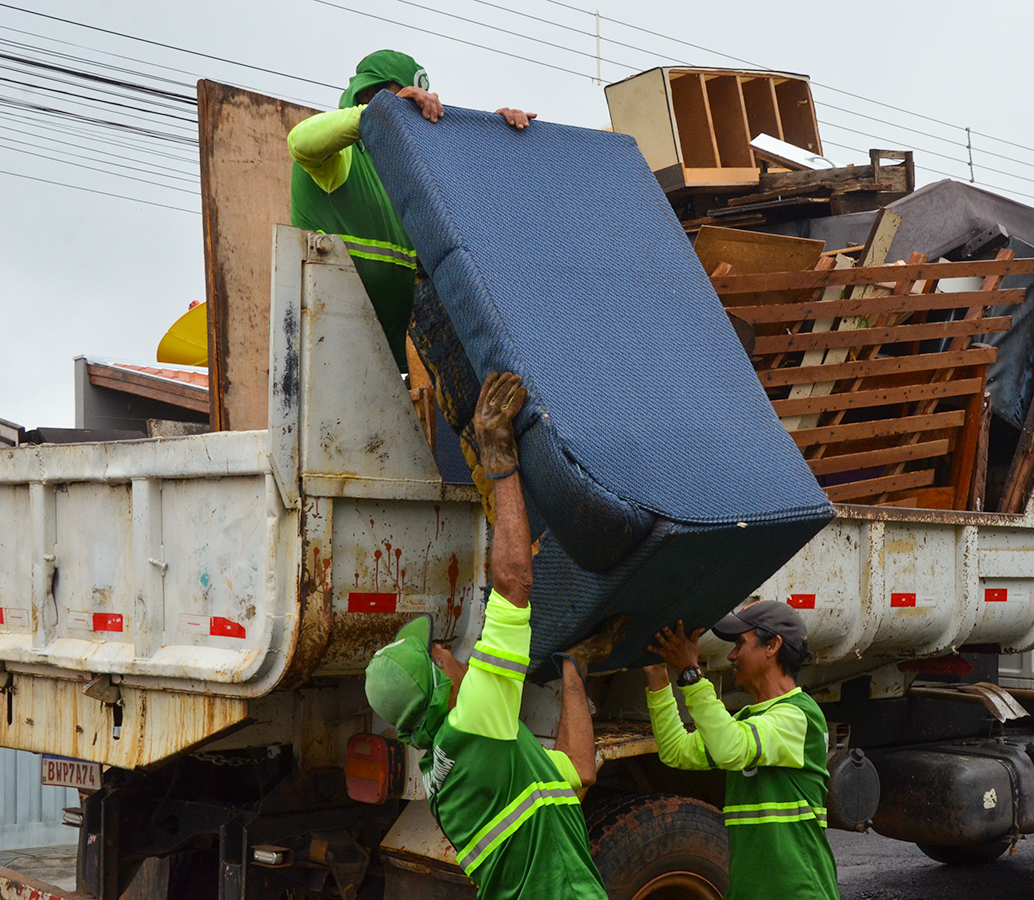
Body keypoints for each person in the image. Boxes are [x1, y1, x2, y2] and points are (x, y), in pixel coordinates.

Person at [364, 371, 610, 900]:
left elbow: (579, 772)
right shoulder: (474, 718)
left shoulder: (454, 762)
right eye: (440, 654)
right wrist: (500, 461)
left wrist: (574, 670)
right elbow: (515, 583)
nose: (453, 654)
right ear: (440, 684)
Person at [288, 50, 535, 371]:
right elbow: (299, 141)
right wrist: (380, 113)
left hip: (390, 359)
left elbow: (475, 198)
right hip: (325, 344)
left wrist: (491, 136)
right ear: (368, 95)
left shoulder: (408, 172)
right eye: (409, 102)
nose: (417, 114)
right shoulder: (340, 157)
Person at [645, 604, 838, 900]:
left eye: (740, 644)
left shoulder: (798, 716)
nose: (731, 656)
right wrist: (657, 675)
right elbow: (676, 750)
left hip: (797, 892)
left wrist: (690, 674)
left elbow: (728, 749)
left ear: (772, 646)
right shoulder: (749, 720)